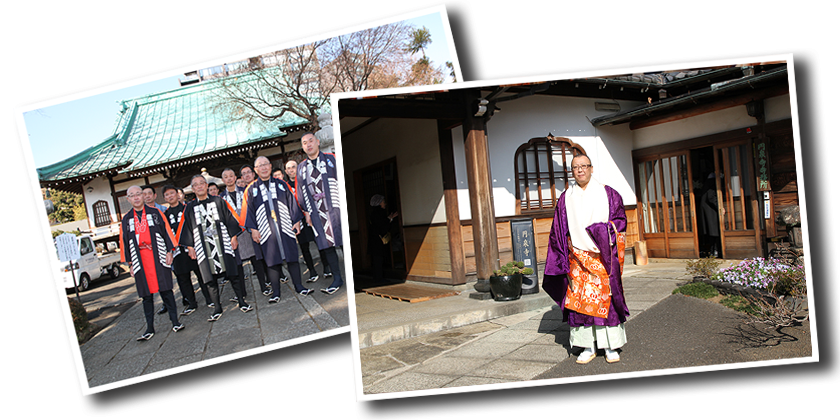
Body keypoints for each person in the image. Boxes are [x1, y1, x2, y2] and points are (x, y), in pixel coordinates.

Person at [542, 154, 628, 364]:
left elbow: (619, 221)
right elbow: (558, 230)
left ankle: (610, 346)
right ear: (572, 172)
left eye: (584, 166)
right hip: (577, 258)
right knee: (580, 304)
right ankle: (587, 346)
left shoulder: (609, 194)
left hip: (602, 258)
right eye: (575, 167)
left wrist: (603, 231)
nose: (580, 170)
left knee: (605, 302)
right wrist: (562, 257)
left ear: (591, 168)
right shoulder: (566, 197)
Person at [177, 175, 252, 321]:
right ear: (192, 189)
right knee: (209, 279)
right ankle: (217, 307)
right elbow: (186, 228)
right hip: (202, 245)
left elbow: (230, 219)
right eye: (196, 185)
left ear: (206, 185)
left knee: (233, 274)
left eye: (201, 184)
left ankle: (241, 301)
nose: (199, 187)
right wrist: (190, 246)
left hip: (222, 242)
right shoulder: (190, 207)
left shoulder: (219, 201)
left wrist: (233, 236)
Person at [243, 156, 313, 302]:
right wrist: (253, 229)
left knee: (292, 256)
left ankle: (299, 286)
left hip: (285, 225)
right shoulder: (252, 189)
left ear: (270, 166)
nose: (263, 168)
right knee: (271, 260)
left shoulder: (281, 184)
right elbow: (249, 211)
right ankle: (276, 292)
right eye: (260, 166)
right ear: (256, 170)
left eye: (266, 164)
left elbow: (292, 203)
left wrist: (296, 221)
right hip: (265, 228)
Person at [119, 185, 184, 341]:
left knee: (166, 290)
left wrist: (170, 251)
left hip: (159, 256)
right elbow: (124, 242)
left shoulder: (156, 213)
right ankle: (149, 327)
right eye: (132, 195)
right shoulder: (126, 219)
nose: (136, 197)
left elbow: (167, 231)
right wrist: (130, 264)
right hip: (140, 260)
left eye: (138, 194)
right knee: (146, 295)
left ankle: (175, 321)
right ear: (128, 199)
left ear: (143, 196)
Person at [295, 132, 344, 294]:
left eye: (310, 141)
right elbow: (300, 192)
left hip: (335, 206)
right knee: (326, 244)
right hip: (316, 211)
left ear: (317, 142)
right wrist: (306, 212)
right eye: (304, 143)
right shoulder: (301, 168)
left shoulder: (331, 158)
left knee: (342, 240)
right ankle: (337, 278)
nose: (308, 144)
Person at [159, 184, 209, 316]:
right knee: (183, 279)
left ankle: (209, 299)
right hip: (177, 251)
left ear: (178, 194)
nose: (170, 196)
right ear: (164, 198)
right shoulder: (165, 215)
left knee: (201, 274)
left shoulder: (188, 209)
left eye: (172, 193)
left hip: (192, 248)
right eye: (167, 195)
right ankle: (192, 303)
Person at [286, 158, 332, 283]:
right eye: (288, 168)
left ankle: (326, 267)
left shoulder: (304, 181)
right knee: (304, 247)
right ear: (286, 171)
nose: (291, 170)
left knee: (319, 242)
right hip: (297, 219)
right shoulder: (285, 186)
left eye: (293, 167)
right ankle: (312, 271)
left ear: (298, 168)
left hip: (311, 216)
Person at [240, 164, 275, 295]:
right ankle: (265, 282)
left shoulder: (262, 185)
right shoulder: (243, 191)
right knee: (259, 257)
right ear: (242, 177)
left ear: (254, 173)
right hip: (253, 229)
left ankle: (275, 277)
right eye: (244, 173)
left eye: (249, 172)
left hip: (268, 224)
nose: (247, 175)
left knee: (271, 253)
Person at [368, 194, 398, 284]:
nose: (385, 203)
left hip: (374, 240)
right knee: (378, 261)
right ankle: (379, 279)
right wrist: (389, 219)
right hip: (377, 241)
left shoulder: (374, 213)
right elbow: (382, 227)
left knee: (377, 261)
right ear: (379, 203)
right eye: (383, 202)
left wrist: (388, 219)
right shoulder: (379, 213)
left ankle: (378, 278)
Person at [698, 173, 722, 258]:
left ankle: (712, 251)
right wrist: (720, 207)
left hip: (707, 212)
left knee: (711, 233)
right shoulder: (712, 183)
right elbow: (711, 197)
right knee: (714, 232)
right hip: (711, 212)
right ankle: (715, 251)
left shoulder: (706, 184)